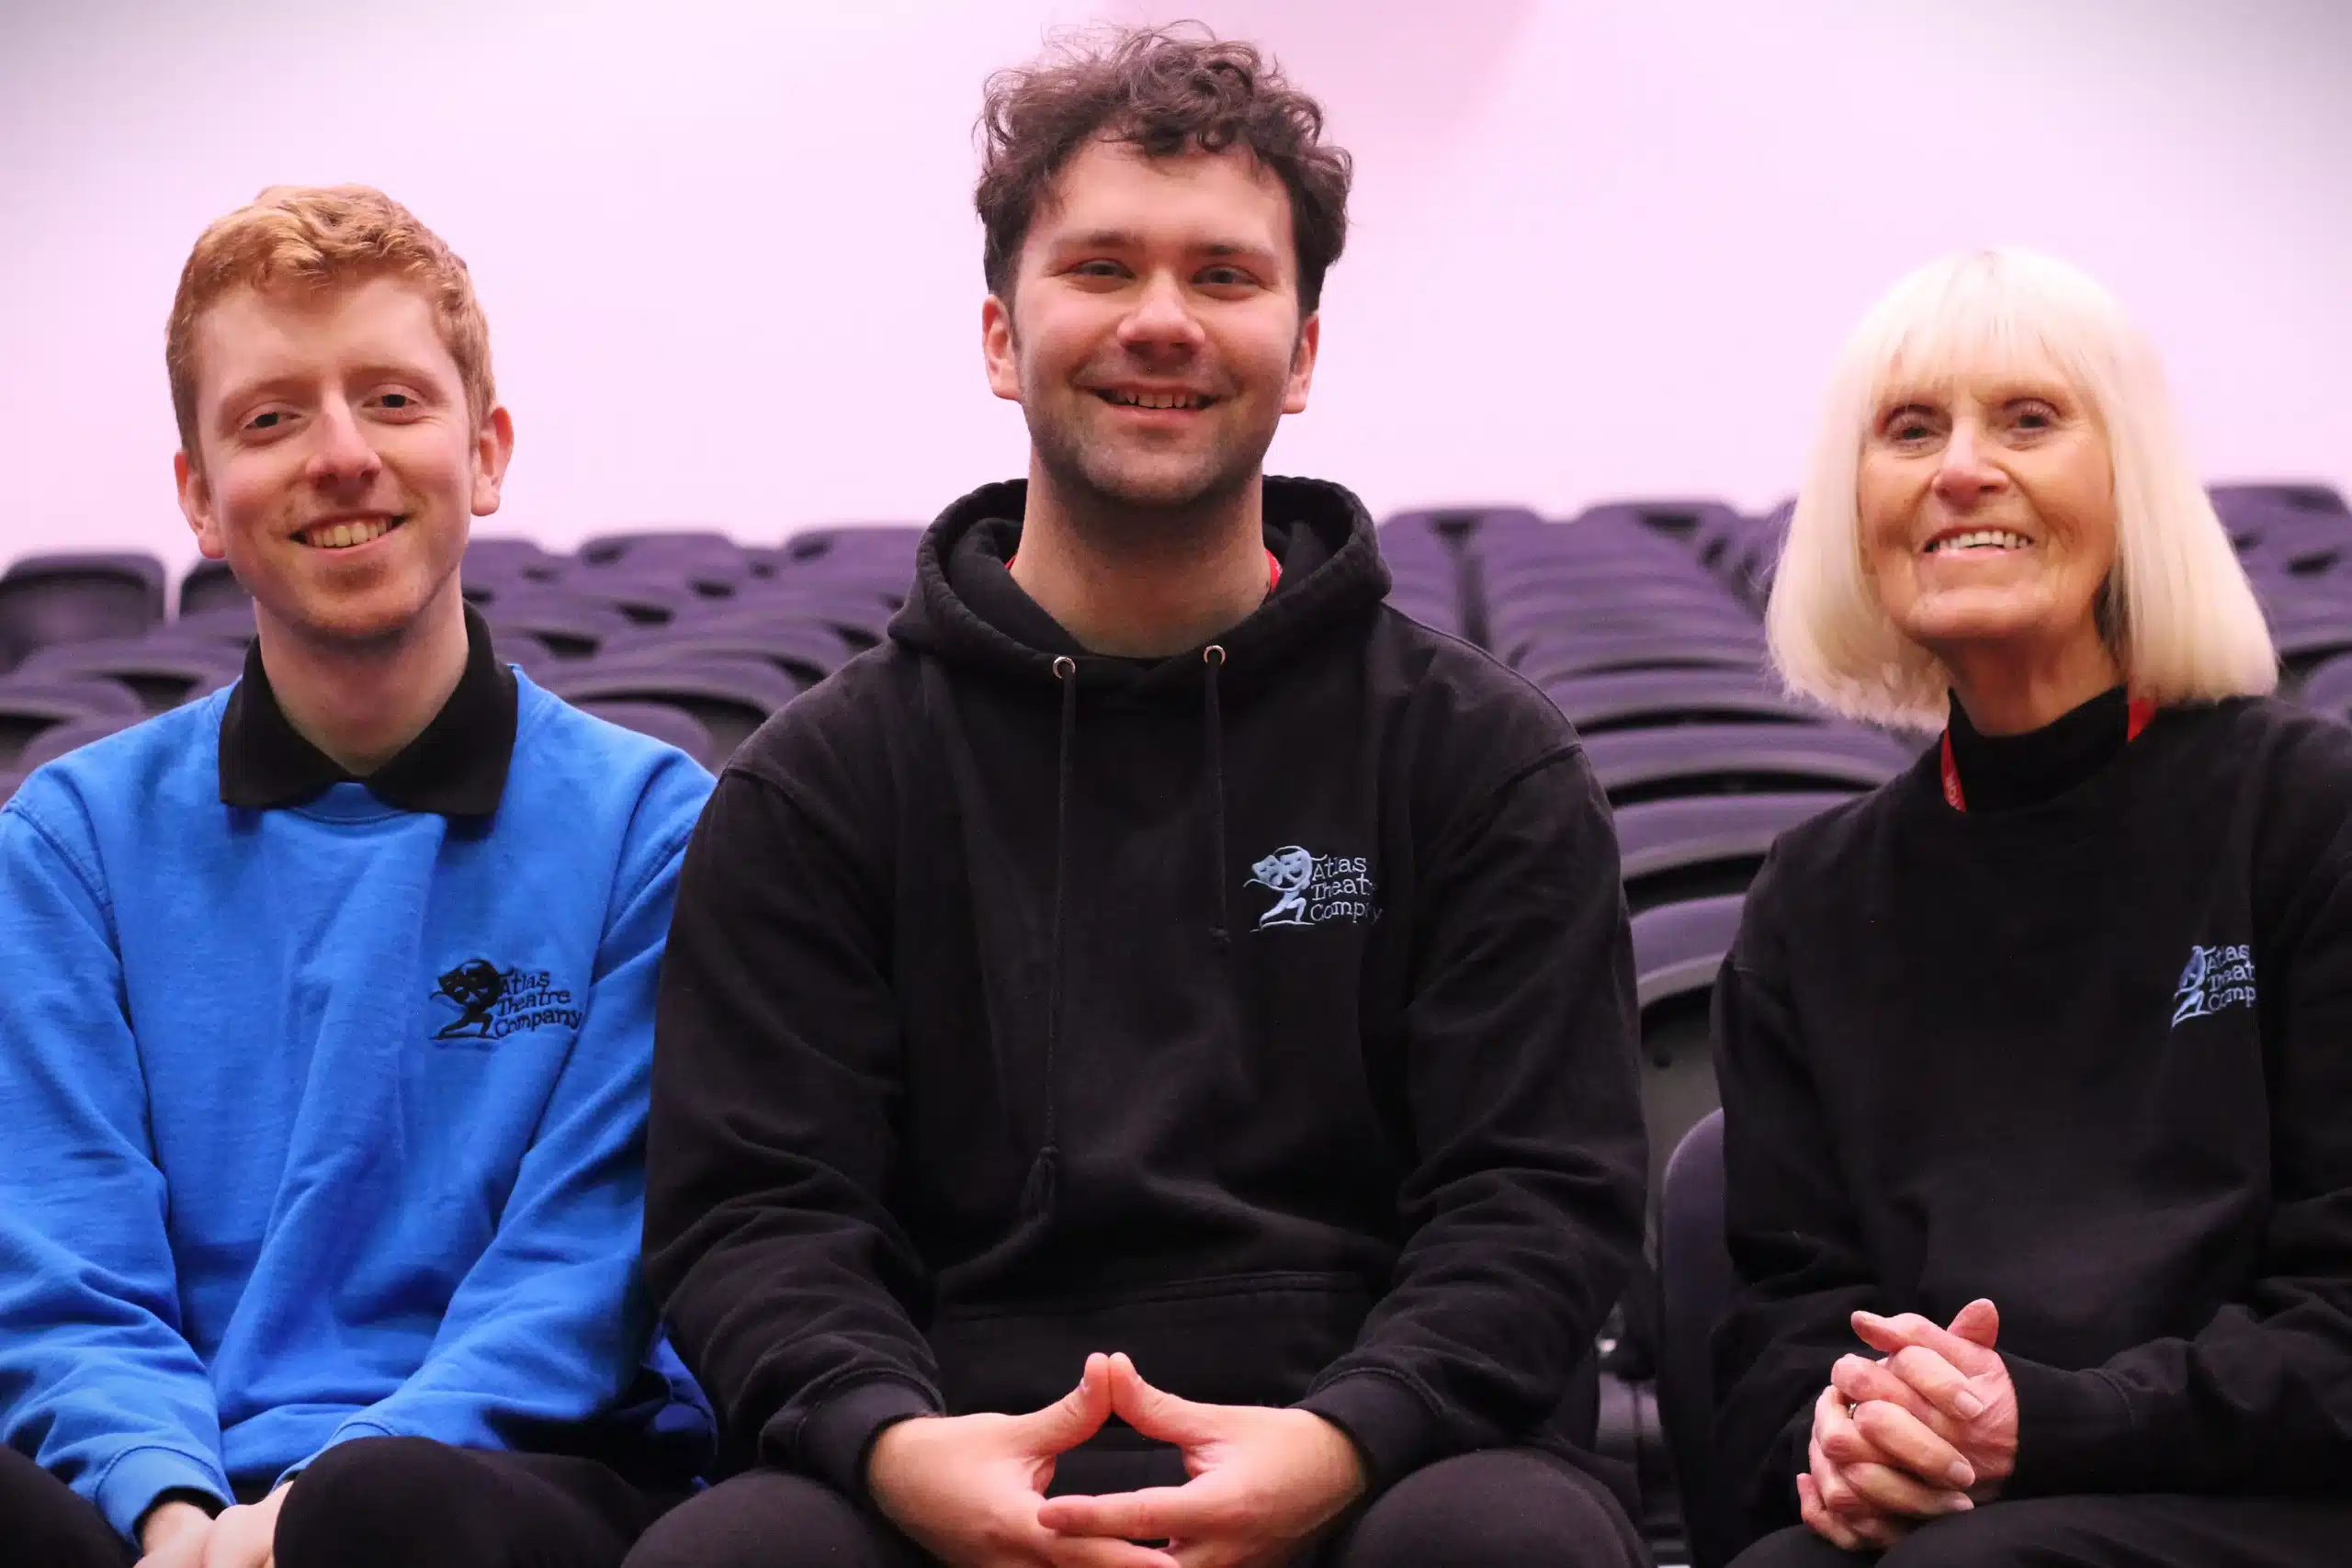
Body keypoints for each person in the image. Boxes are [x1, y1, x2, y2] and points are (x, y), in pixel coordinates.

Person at [629, 26, 1650, 1568]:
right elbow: (756, 1215)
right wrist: (897, 1448)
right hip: (952, 1465)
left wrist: (1339, 1436)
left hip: (1381, 1464)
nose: (1161, 321)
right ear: (998, 335)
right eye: (1101, 268)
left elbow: (1538, 1200)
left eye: (1225, 277)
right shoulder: (820, 787)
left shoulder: (1481, 760)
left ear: (1302, 352)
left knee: (1506, 1543)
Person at [0, 186, 715, 1568]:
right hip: (158, 1489)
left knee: (380, 1514)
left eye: (392, 400)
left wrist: (300, 1508)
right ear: (201, 495)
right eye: (271, 418)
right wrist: (172, 1506)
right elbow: (67, 1263)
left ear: (485, 451)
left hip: (498, 1477)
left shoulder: (650, 826)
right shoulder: (70, 841)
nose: (341, 457)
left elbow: (575, 1282)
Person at [1710, 247, 2352, 1566]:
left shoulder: (2310, 817)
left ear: (2133, 488)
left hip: (2265, 1488)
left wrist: (2053, 1421)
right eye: (1909, 430)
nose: (1959, 469)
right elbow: (1787, 1313)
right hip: (1963, 1503)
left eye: (2029, 419)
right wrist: (1836, 1429)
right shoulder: (1812, 904)